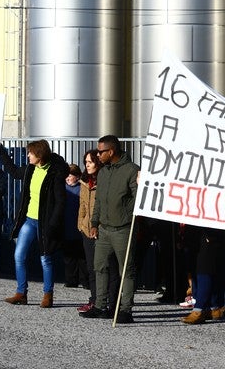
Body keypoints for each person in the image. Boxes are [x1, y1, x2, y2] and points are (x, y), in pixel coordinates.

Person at [0, 140, 68, 307]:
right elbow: (14, 172)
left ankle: (48, 295)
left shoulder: (54, 173)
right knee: (18, 255)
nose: (27, 155)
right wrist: (2, 153)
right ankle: (21, 293)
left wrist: (53, 224)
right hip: (29, 220)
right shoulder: (30, 169)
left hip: (45, 223)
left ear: (40, 155)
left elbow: (60, 201)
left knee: (46, 258)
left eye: (30, 153)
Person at [80, 135, 139, 324]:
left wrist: (126, 218)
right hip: (104, 230)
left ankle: (125, 310)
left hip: (123, 229)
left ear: (111, 151)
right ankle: (100, 306)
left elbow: (137, 200)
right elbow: (98, 201)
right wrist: (94, 223)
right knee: (100, 267)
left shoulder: (131, 171)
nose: (98, 155)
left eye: (101, 151)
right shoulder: (104, 172)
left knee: (126, 271)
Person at [77, 149, 120, 314]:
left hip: (104, 229)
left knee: (109, 267)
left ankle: (112, 302)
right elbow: (82, 204)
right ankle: (95, 300)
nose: (87, 165)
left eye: (90, 162)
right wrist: (81, 224)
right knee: (92, 267)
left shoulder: (106, 180)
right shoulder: (84, 181)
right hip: (87, 229)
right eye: (85, 162)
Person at [63, 163, 88, 288]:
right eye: (66, 175)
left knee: (82, 256)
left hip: (79, 226)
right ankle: (71, 280)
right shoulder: (63, 188)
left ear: (77, 176)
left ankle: (85, 280)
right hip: (67, 224)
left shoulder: (81, 188)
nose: (68, 178)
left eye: (70, 175)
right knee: (68, 256)